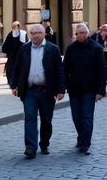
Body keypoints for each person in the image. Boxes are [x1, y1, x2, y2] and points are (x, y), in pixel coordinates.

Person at [8, 22, 65, 158]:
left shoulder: (53, 49)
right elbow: (17, 68)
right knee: (30, 117)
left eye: (38, 33)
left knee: (46, 120)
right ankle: (30, 147)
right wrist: (14, 85)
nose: (35, 35)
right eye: (32, 33)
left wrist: (60, 90)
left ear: (44, 34)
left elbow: (59, 71)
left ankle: (44, 143)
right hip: (29, 91)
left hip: (47, 90)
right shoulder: (24, 49)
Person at [62, 23, 106, 155]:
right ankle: (81, 135)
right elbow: (64, 69)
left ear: (88, 33)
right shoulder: (71, 48)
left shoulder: (96, 48)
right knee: (76, 117)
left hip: (90, 89)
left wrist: (100, 91)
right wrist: (62, 87)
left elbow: (102, 70)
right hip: (74, 88)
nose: (80, 35)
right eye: (78, 33)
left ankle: (85, 143)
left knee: (87, 116)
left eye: (83, 32)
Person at [1, 20, 27, 84]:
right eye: (15, 26)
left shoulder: (21, 34)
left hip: (16, 55)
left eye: (17, 26)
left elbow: (5, 47)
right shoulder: (12, 34)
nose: (16, 28)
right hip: (15, 55)